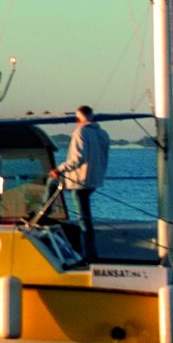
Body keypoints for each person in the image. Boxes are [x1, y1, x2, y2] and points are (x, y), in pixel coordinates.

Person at [48, 106, 111, 258]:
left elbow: (77, 158)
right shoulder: (102, 134)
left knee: (84, 218)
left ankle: (89, 253)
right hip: (93, 180)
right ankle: (46, 211)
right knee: (53, 184)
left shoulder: (80, 132)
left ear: (78, 119)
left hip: (79, 180)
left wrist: (59, 169)